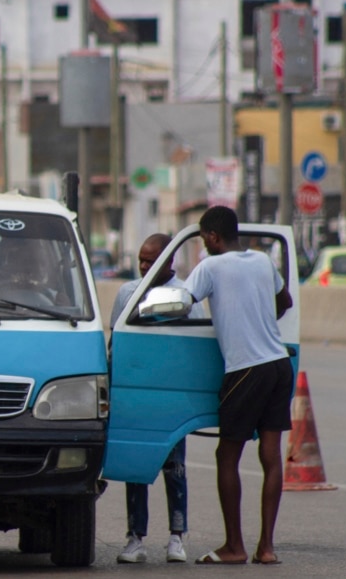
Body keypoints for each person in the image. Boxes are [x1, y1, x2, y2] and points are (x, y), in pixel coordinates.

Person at [183, 206, 293, 566]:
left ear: (213, 237)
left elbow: (180, 304)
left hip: (245, 370)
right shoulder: (262, 261)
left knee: (226, 456)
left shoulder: (211, 267)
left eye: (203, 239)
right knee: (270, 455)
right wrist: (257, 317)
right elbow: (285, 301)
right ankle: (267, 547)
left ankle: (234, 546)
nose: (204, 246)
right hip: (279, 364)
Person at [109, 233, 205, 564]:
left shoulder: (185, 295)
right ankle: (135, 538)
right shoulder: (126, 292)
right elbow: (116, 342)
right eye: (142, 260)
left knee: (175, 468)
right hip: (136, 393)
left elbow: (199, 345)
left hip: (171, 394)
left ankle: (177, 536)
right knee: (136, 468)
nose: (145, 266)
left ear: (170, 261)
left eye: (153, 261)